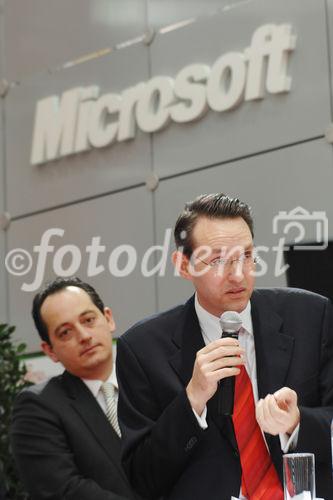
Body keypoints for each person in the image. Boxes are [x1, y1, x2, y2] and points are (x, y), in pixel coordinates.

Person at [116, 193, 333, 500]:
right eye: (218, 259)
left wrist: (297, 423)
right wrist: (192, 400)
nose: (238, 274)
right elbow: (142, 478)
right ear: (183, 265)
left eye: (246, 255)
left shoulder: (311, 316)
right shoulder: (141, 349)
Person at [11, 277, 141, 500]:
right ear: (49, 350)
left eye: (88, 320)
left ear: (108, 318)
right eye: (65, 332)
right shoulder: (38, 406)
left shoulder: (149, 382)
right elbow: (62, 490)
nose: (83, 336)